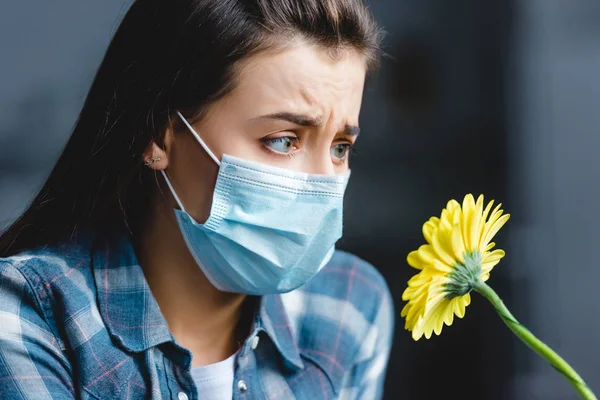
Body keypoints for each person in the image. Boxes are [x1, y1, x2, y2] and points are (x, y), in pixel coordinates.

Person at [0, 0, 394, 398]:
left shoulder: (348, 305)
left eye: (341, 148)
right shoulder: (33, 317)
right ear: (157, 135)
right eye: (281, 140)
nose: (323, 184)